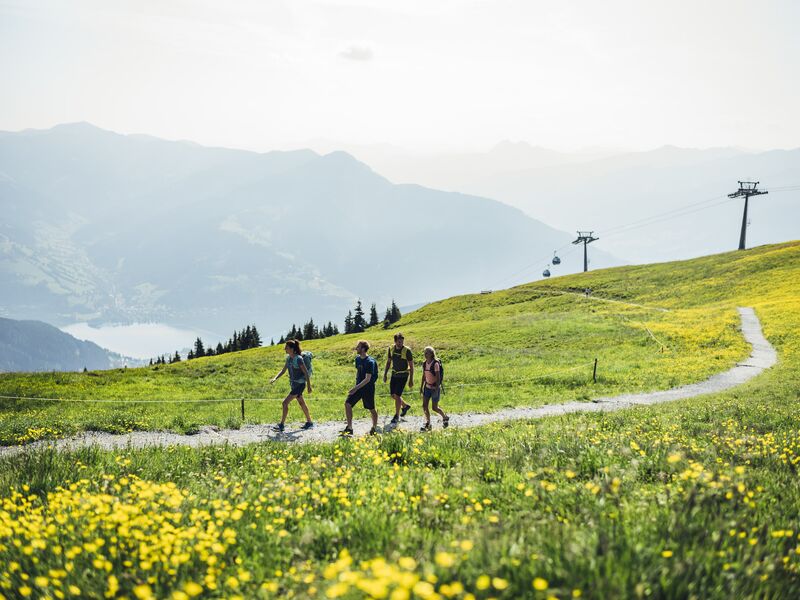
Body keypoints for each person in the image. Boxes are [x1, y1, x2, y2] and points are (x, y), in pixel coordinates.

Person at [269, 339, 313, 432]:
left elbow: (306, 373)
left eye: (287, 347)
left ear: (292, 349)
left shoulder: (299, 359)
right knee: (302, 403)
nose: (285, 349)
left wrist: (309, 386)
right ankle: (309, 422)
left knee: (285, 403)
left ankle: (281, 425)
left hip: (300, 385)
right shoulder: (289, 359)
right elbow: (283, 370)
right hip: (294, 385)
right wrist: (275, 378)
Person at [341, 340, 379, 437]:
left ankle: (374, 428)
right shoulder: (357, 359)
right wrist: (356, 386)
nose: (356, 348)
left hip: (368, 389)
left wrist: (355, 388)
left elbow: (367, 379)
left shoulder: (370, 362)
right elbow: (359, 372)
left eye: (358, 346)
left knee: (371, 409)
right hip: (358, 387)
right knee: (347, 404)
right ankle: (349, 428)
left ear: (363, 349)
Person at [383, 332, 414, 424]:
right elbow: (388, 362)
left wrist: (411, 379)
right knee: (393, 395)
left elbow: (411, 366)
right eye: (399, 342)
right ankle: (405, 406)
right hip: (394, 374)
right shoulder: (391, 349)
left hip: (403, 375)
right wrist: (385, 374)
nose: (401, 343)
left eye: (402, 342)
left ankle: (396, 416)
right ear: (395, 341)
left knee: (397, 395)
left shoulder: (407, 351)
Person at [420, 346, 448, 431]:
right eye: (425, 352)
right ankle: (428, 423)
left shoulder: (435, 364)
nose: (425, 354)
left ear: (431, 354)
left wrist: (436, 389)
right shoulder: (424, 363)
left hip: (434, 388)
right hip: (427, 387)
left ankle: (444, 417)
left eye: (427, 353)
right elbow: (424, 376)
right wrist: (421, 387)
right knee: (424, 406)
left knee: (434, 408)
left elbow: (438, 377)